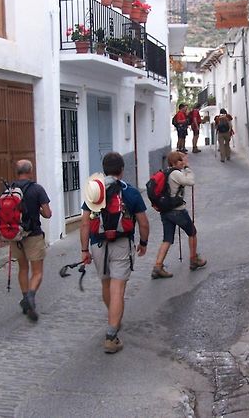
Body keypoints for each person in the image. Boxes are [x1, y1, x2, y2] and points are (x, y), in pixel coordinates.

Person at [80, 152, 149, 354]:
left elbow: (85, 223)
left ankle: (113, 318)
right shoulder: (131, 192)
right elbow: (143, 223)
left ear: (104, 169)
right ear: (121, 169)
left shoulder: (94, 190)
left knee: (106, 284)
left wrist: (84, 250)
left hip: (97, 244)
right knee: (118, 289)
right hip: (121, 242)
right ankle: (111, 334)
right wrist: (143, 242)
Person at [152, 151, 206, 279]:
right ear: (173, 163)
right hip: (177, 211)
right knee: (192, 232)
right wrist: (188, 168)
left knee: (167, 239)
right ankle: (193, 260)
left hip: (166, 211)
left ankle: (158, 267)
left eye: (182, 160)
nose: (182, 162)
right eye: (180, 161)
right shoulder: (175, 173)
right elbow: (190, 181)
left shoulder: (167, 172)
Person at [10, 159, 52, 322]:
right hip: (33, 235)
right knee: (37, 272)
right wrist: (40, 211)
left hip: (15, 236)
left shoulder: (9, 189)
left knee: (22, 269)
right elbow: (48, 214)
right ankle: (30, 297)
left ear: (17, 172)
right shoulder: (37, 189)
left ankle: (25, 296)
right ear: (30, 171)